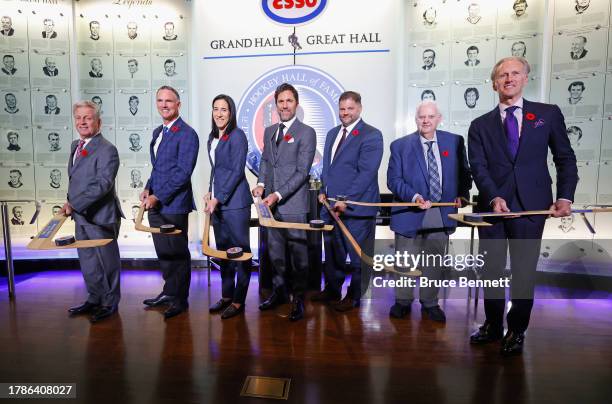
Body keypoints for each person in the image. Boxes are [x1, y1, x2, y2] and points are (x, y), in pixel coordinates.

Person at [468, 57, 578, 356]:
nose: (509, 79)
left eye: (515, 73)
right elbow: (478, 167)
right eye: (502, 75)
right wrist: (493, 196)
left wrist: (565, 196)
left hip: (532, 207)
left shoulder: (548, 114)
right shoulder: (479, 125)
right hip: (493, 208)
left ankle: (516, 329)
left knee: (523, 271)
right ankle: (492, 325)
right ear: (494, 83)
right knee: (490, 269)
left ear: (525, 78)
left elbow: (565, 158)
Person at [388, 101, 471, 322]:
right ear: (416, 120)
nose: (426, 121)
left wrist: (463, 195)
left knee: (433, 262)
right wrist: (413, 197)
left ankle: (430, 303)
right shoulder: (400, 146)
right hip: (409, 211)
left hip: (440, 213)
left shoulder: (454, 142)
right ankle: (403, 301)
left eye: (430, 117)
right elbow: (393, 180)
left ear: (439, 118)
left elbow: (465, 174)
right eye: (421, 117)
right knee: (405, 261)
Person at [252, 83, 316, 322]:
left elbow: (302, 172)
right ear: (276, 104)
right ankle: (279, 292)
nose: (285, 105)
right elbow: (267, 163)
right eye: (281, 101)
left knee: (298, 256)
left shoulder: (306, 132)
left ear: (296, 104)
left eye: (289, 101)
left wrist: (277, 194)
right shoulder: (269, 131)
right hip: (271, 206)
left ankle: (298, 299)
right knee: (276, 253)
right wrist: (260, 183)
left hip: (294, 206)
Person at [314, 91, 383, 311]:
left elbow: (366, 173)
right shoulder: (333, 133)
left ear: (359, 109)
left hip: (356, 209)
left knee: (358, 257)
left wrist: (346, 199)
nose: (345, 113)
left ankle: (354, 297)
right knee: (333, 254)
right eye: (342, 109)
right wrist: (323, 190)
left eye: (350, 108)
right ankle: (333, 290)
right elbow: (328, 167)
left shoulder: (372, 135)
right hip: (331, 207)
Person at [141, 86, 199, 319]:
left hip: (173, 205)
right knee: (164, 253)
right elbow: (159, 168)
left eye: (169, 101)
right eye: (160, 101)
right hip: (155, 204)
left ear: (178, 105)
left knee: (177, 254)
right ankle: (168, 292)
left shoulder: (187, 133)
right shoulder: (158, 132)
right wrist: (147, 187)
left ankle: (180, 299)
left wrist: (158, 196)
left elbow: (183, 173)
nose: (164, 105)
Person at [63, 100, 124, 323]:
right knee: (88, 261)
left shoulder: (108, 149)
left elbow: (102, 184)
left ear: (98, 121)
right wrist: (70, 202)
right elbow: (77, 180)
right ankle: (95, 297)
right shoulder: (75, 146)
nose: (82, 122)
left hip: (101, 217)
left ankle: (109, 302)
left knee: (107, 262)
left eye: (87, 118)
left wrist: (74, 204)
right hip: (81, 216)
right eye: (79, 118)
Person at [205, 94, 253, 319]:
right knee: (224, 253)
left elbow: (236, 172)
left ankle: (238, 301)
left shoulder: (238, 136)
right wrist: (210, 192)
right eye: (216, 109)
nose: (219, 113)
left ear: (231, 113)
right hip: (218, 204)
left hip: (236, 204)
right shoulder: (212, 138)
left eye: (224, 109)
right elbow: (217, 171)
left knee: (240, 253)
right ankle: (226, 295)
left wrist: (218, 197)